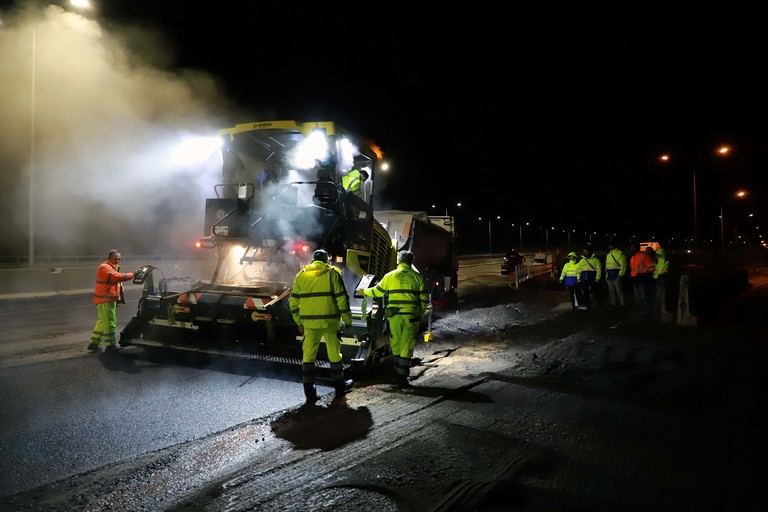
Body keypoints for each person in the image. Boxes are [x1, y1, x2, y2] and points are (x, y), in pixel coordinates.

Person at [356, 250, 429, 388]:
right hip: (411, 317)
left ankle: (397, 373)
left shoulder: (390, 276)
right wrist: (418, 312)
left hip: (394, 317)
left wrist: (364, 291)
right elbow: (424, 299)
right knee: (407, 345)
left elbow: (377, 291)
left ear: (399, 261)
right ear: (410, 262)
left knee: (395, 343)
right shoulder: (418, 277)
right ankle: (402, 377)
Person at [289, 248, 353, 404]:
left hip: (309, 324)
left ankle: (310, 393)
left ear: (313, 260)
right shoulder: (332, 273)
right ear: (326, 260)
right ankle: (340, 387)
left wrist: (299, 322)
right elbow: (342, 298)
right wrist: (347, 318)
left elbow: (293, 302)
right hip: (330, 323)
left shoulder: (301, 275)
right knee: (334, 353)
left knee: (308, 356)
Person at [88, 249, 140, 353]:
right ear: (110, 257)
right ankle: (110, 345)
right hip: (105, 299)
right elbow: (116, 277)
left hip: (106, 299)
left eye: (119, 259)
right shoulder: (104, 267)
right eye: (116, 259)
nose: (118, 261)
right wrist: (133, 274)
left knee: (102, 322)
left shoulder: (112, 267)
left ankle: (94, 343)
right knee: (110, 323)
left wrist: (117, 299)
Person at [629, 243, 656, 320]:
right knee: (638, 298)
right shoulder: (632, 258)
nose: (631, 249)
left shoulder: (643, 256)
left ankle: (647, 313)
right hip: (635, 281)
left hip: (642, 281)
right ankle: (643, 312)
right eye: (631, 247)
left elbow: (652, 267)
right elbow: (632, 269)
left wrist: (645, 274)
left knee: (644, 297)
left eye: (633, 247)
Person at [604, 240, 628, 310]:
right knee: (612, 292)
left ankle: (623, 305)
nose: (609, 247)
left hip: (616, 275)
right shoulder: (608, 255)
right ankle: (613, 305)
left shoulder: (620, 254)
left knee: (619, 291)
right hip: (609, 275)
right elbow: (607, 266)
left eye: (610, 245)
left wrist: (620, 275)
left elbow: (623, 265)